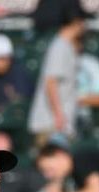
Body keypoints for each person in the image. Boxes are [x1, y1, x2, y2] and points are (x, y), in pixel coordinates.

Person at [28, 13, 84, 146]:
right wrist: (58, 114)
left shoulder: (66, 45)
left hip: (58, 122)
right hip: (51, 124)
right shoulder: (60, 46)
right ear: (75, 23)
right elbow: (51, 81)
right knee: (49, 162)